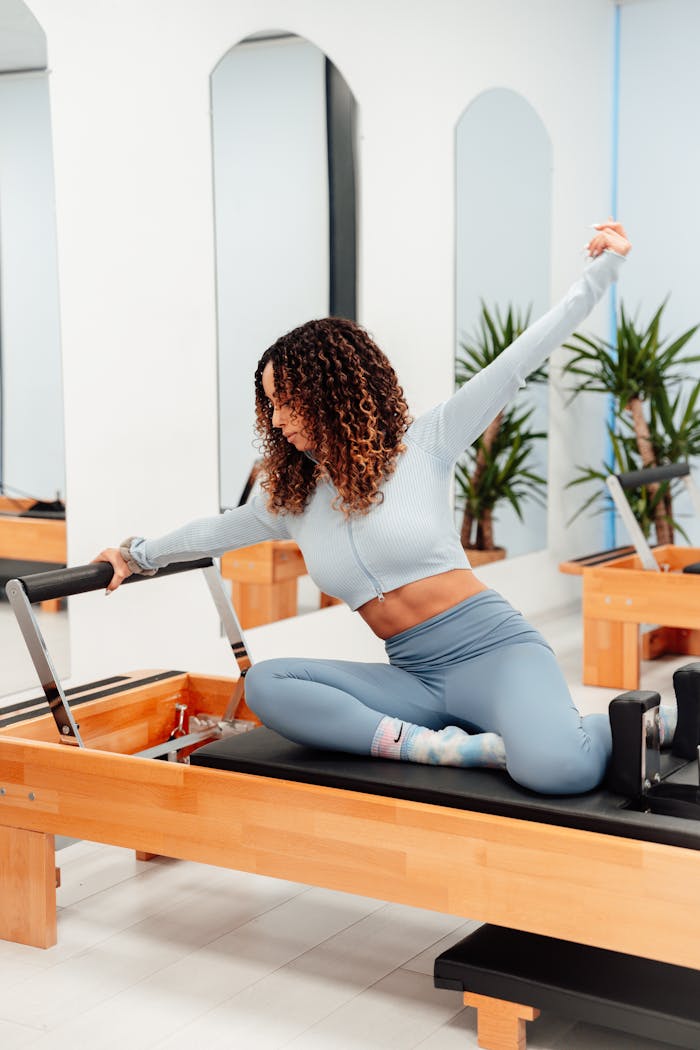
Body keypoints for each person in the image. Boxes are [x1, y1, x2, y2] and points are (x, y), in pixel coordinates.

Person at [95, 220, 657, 796]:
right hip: (413, 677)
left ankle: (624, 724)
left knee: (560, 770)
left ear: (330, 394)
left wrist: (603, 269)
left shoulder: (426, 443)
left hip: (494, 652)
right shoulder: (291, 500)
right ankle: (441, 748)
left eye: (288, 402)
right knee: (267, 683)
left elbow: (519, 358)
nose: (279, 421)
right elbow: (211, 532)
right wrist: (136, 556)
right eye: (271, 407)